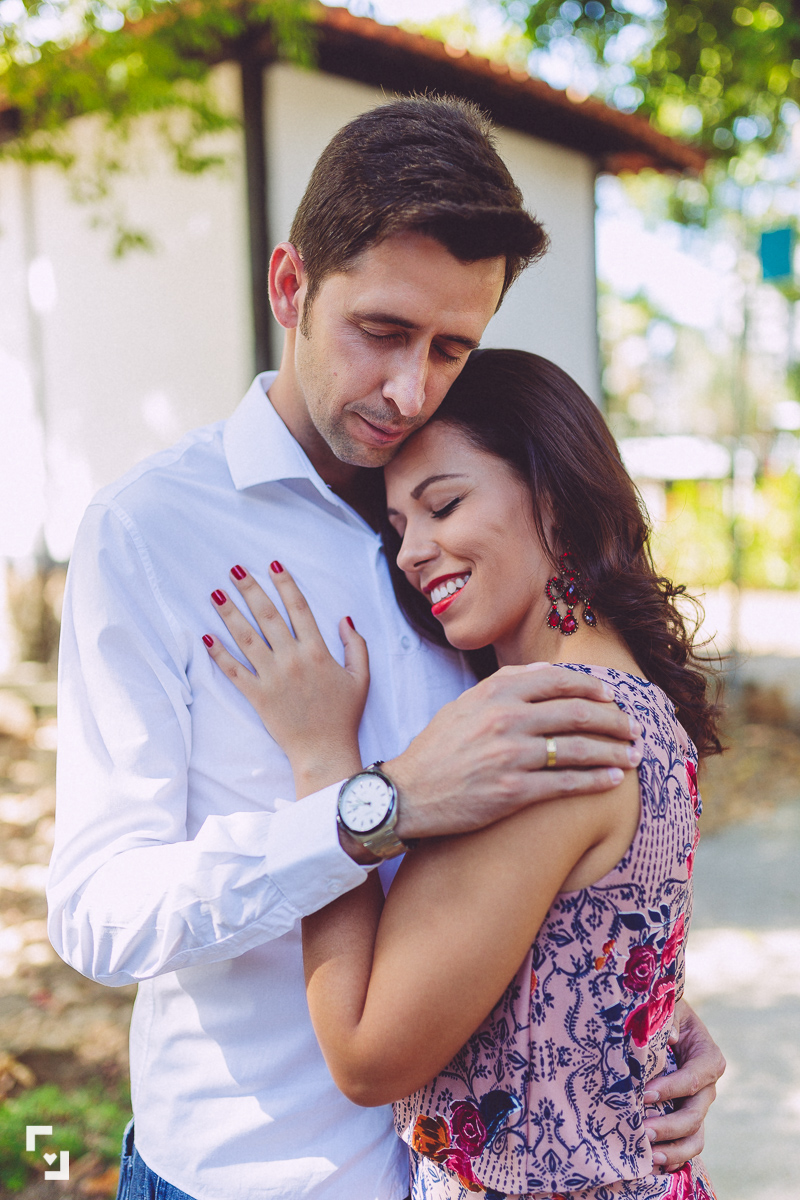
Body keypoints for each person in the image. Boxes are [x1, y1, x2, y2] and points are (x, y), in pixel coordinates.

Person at [47, 97, 722, 1200]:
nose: (410, 389)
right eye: (382, 332)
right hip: (246, 1174)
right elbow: (94, 915)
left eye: (451, 347)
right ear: (289, 289)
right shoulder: (150, 533)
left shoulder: (472, 527)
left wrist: (632, 1023)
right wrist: (367, 805)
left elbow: (550, 870)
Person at [203, 349, 722, 1200]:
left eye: (443, 504)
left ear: (554, 502)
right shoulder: (632, 701)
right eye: (399, 526)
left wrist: (324, 759)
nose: (413, 552)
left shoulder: (544, 728)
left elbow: (366, 1055)